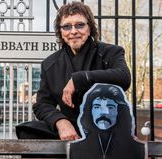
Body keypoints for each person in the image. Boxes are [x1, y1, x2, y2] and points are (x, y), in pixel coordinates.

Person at [32, 2, 131, 140]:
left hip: (107, 128)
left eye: (80, 25)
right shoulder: (50, 64)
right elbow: (42, 104)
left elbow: (124, 77)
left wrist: (79, 79)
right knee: (28, 130)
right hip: (71, 134)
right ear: (60, 32)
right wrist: (60, 122)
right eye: (67, 26)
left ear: (89, 28)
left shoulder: (110, 53)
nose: (73, 31)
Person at [67, 83, 147, 159]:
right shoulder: (76, 149)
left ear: (120, 111)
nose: (104, 112)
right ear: (90, 111)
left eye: (110, 107)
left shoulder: (137, 149)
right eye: (97, 107)